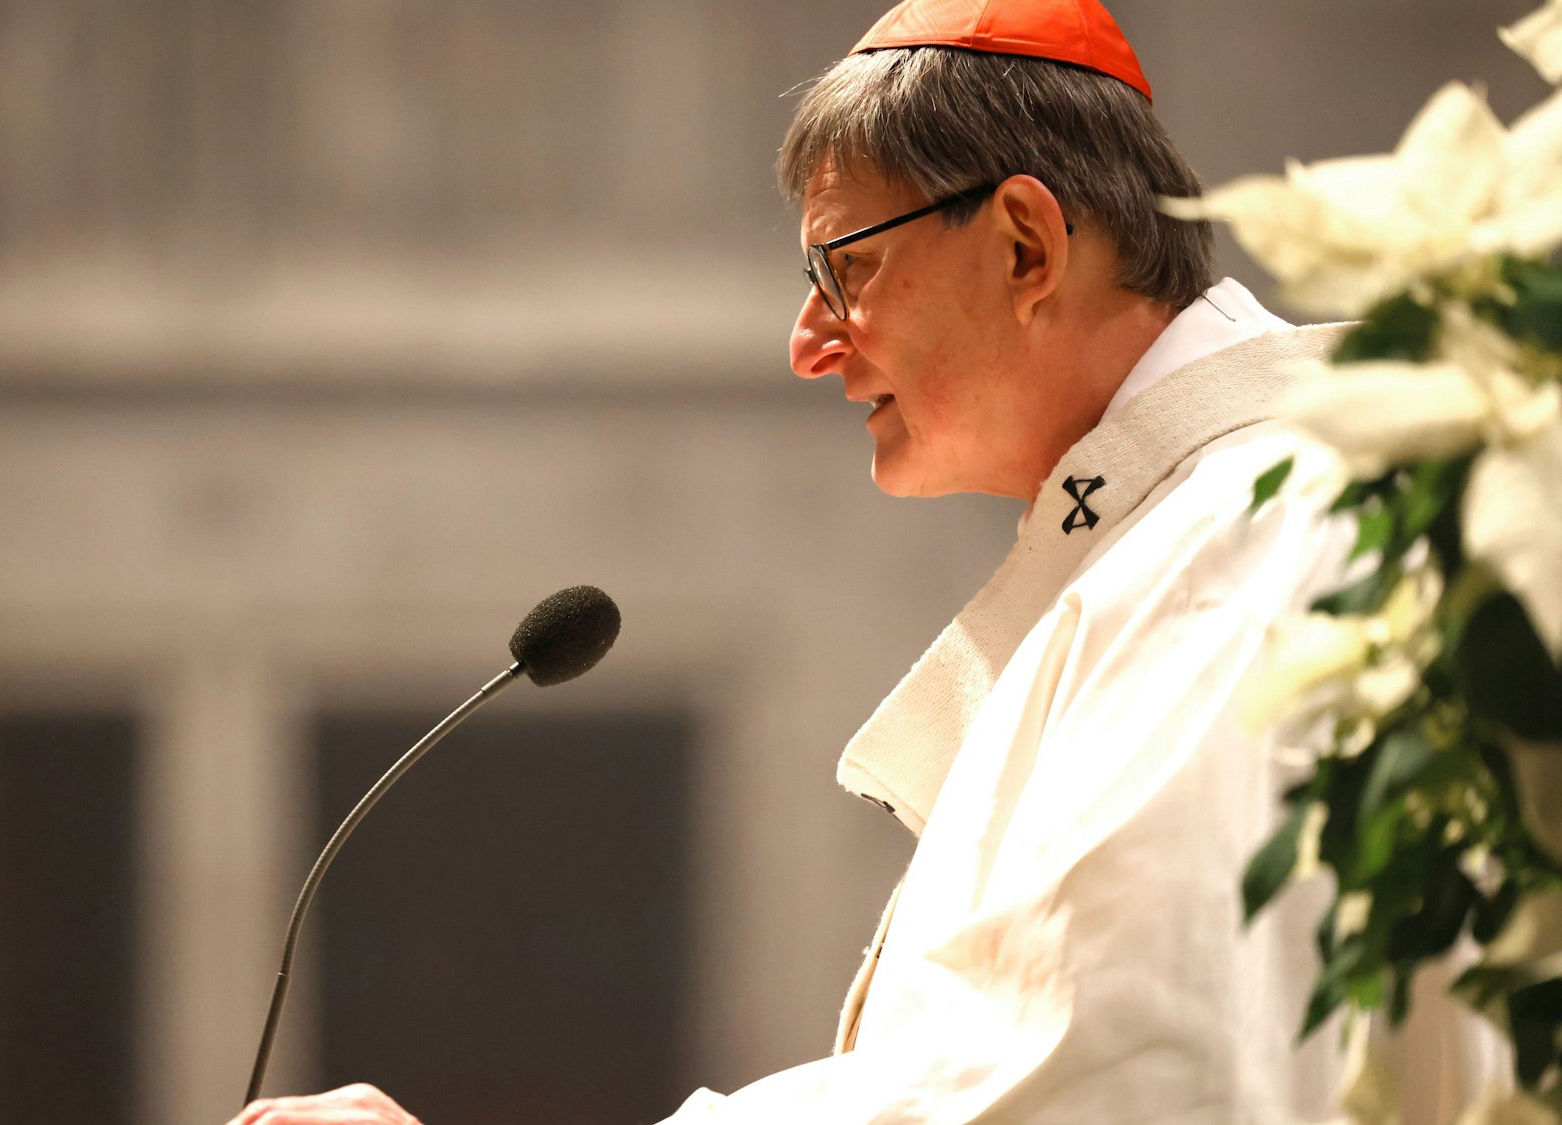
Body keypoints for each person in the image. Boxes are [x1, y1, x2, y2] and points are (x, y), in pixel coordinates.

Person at [231, 2, 1504, 1121]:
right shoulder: (1203, 529)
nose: (806, 344)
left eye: (844, 268)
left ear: (1024, 248)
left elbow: (1098, 1085)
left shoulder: (1252, 539)